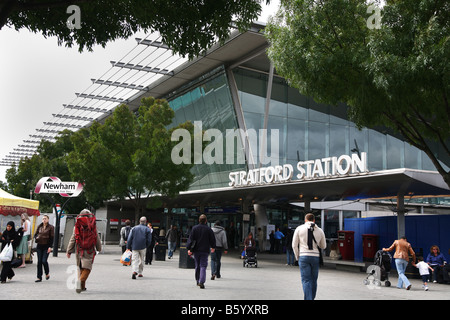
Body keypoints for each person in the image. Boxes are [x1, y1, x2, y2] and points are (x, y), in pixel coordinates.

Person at [66, 209, 102, 293]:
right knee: (87, 268)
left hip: (79, 250)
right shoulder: (92, 225)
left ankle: (82, 286)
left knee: (81, 267)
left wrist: (69, 251)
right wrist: (99, 248)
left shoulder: (77, 226)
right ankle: (80, 281)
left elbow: (73, 239)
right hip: (89, 250)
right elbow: (96, 238)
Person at [292, 213, 326, 300]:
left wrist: (297, 257)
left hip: (303, 256)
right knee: (314, 280)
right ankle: (311, 298)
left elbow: (294, 245)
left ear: (305, 220)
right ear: (314, 220)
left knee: (306, 280)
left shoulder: (299, 229)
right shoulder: (320, 230)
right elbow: (323, 246)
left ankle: (308, 299)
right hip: (315, 257)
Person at [186, 214, 216, 289]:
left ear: (199, 220)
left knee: (197, 265)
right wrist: (213, 247)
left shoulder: (194, 228)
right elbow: (212, 239)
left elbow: (191, 239)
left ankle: (197, 280)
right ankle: (201, 281)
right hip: (205, 250)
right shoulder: (209, 229)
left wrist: (189, 248)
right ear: (206, 221)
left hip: (196, 250)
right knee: (203, 265)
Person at [33, 214, 55, 282]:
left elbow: (52, 237)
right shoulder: (39, 226)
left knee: (44, 261)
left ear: (48, 220)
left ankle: (47, 273)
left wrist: (50, 247)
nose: (44, 220)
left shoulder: (51, 227)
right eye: (43, 219)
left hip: (46, 246)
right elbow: (35, 234)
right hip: (39, 245)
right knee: (39, 261)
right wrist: (36, 237)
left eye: (45, 218)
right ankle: (39, 277)